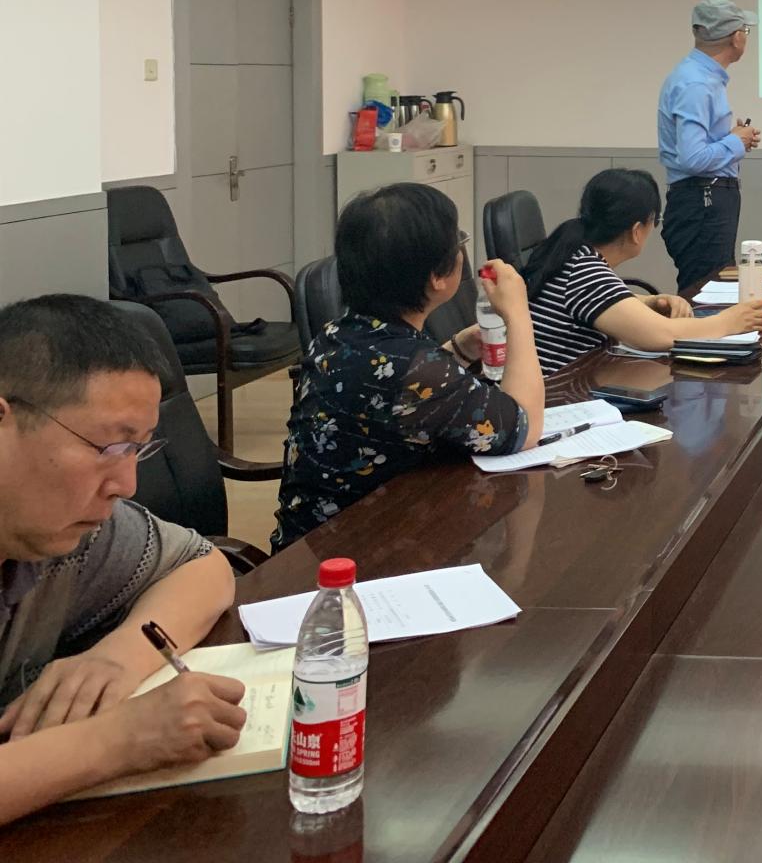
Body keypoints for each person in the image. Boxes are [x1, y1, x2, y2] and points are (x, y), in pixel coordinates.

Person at [0, 295, 247, 823]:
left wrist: (119, 657)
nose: (127, 484)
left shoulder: (63, 532)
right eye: (110, 448)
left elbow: (203, 566)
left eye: (138, 450)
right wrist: (116, 741)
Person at [272, 184, 545, 552]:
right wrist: (518, 313)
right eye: (457, 242)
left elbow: (396, 394)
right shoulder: (416, 369)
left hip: (311, 545)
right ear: (437, 277)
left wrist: (457, 350)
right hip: (359, 556)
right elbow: (524, 427)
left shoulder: (336, 333)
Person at [523, 168, 762, 375]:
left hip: (573, 382)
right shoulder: (586, 271)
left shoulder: (572, 249)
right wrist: (728, 322)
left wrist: (649, 302)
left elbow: (594, 300)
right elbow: (661, 336)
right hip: (560, 397)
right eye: (654, 221)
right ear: (636, 231)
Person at [657, 0, 762, 292]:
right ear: (736, 37)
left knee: (710, 291)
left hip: (704, 200)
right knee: (705, 294)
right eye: (746, 31)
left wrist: (733, 139)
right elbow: (692, 159)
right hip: (703, 202)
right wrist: (735, 141)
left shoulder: (699, 78)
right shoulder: (697, 84)